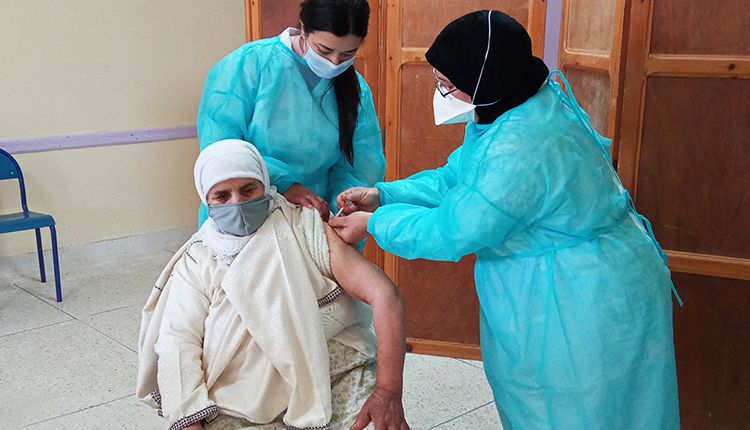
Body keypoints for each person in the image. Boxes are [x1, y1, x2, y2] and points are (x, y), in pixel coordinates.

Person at [329, 10, 680, 430]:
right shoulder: (510, 105)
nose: (441, 94)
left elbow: (451, 231)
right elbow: (459, 177)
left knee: (581, 412)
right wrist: (385, 194)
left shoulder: (522, 145)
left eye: (447, 85)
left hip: (583, 298)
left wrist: (375, 223)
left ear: (484, 79)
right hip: (562, 282)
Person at [137, 140, 409, 430]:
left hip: (332, 374)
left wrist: (388, 393)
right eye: (221, 195)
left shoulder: (303, 226)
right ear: (206, 200)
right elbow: (178, 340)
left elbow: (385, 294)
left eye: (248, 190)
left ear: (265, 185)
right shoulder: (198, 258)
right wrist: (189, 419)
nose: (237, 203)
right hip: (237, 393)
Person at [196, 0, 385, 226]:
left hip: (317, 215)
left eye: (348, 54)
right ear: (303, 29)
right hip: (246, 208)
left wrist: (342, 209)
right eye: (324, 50)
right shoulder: (250, 64)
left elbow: (362, 165)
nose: (334, 63)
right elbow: (220, 151)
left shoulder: (356, 89)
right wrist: (283, 184)